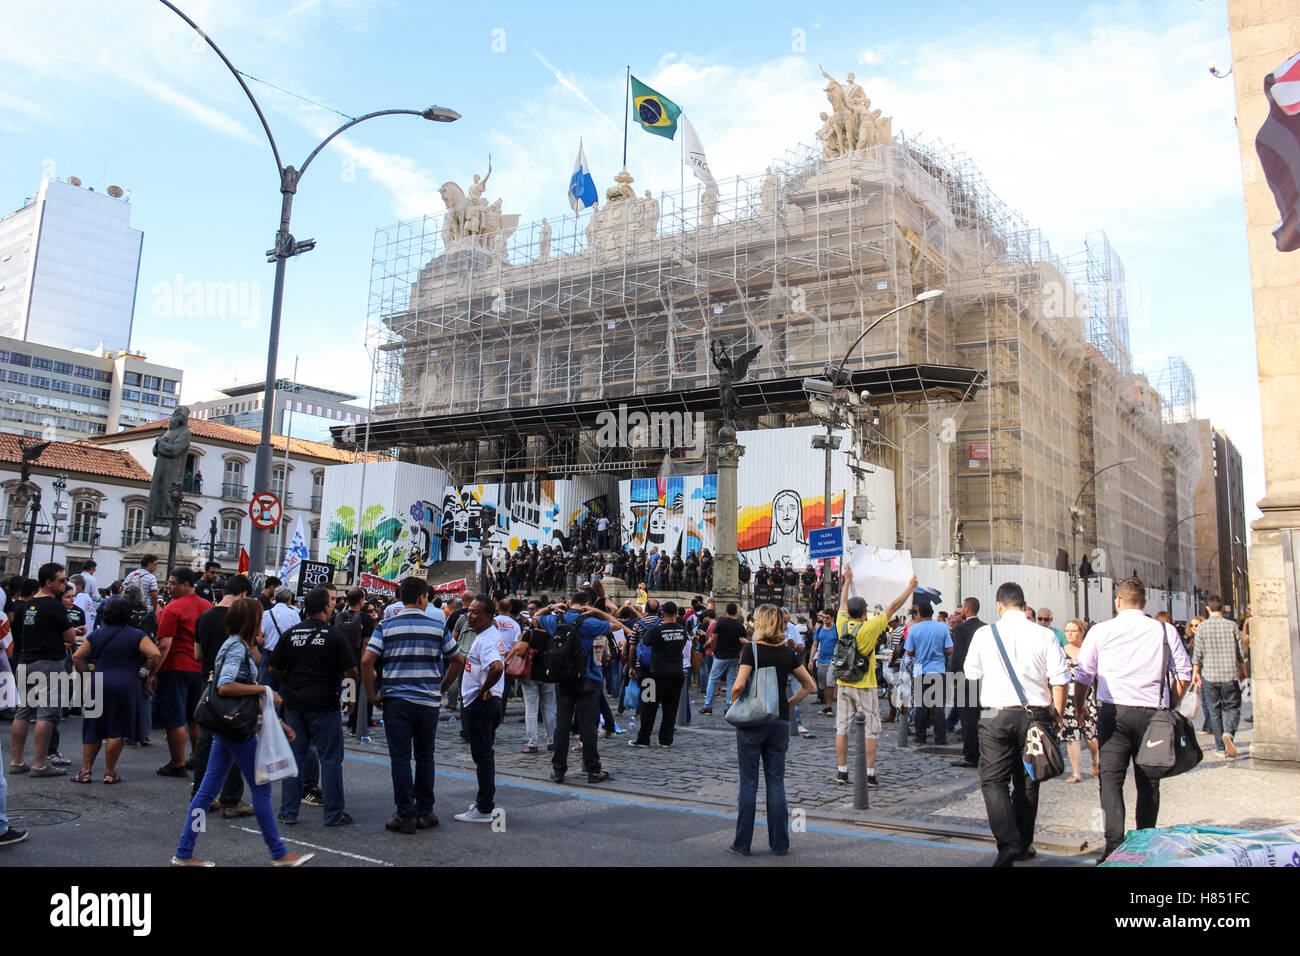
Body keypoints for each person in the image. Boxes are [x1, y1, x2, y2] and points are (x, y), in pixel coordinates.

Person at [171, 597, 312, 867]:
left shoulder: (235, 645)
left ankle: (184, 852)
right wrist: (263, 689)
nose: (262, 625)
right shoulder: (237, 648)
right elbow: (226, 687)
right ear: (250, 622)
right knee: (260, 789)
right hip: (235, 729)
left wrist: (273, 719)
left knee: (206, 792)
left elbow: (236, 692)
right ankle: (279, 853)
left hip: (227, 726)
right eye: (259, 620)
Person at [1071, 577, 1192, 863]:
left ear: (1118, 601)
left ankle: (1114, 847)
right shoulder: (1164, 631)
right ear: (1145, 601)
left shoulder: (1101, 631)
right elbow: (1183, 673)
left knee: (1110, 781)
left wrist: (1079, 706)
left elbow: (1084, 674)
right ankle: (1144, 844)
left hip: (1114, 713)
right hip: (1153, 715)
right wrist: (1171, 702)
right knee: (1149, 782)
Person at [962, 581, 1069, 866]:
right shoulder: (1045, 635)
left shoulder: (985, 634)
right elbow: (1060, 679)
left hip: (995, 714)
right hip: (1036, 714)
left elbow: (971, 673)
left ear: (999, 605)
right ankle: (1023, 843)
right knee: (1029, 781)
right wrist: (1058, 712)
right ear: (1024, 605)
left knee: (994, 781)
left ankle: (1008, 843)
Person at [361, 577, 464, 834]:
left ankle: (404, 814)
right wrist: (441, 686)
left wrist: (373, 694)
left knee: (400, 758)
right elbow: (457, 660)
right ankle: (425, 811)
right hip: (427, 702)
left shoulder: (386, 625)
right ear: (422, 598)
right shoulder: (437, 626)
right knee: (425, 756)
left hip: (396, 699)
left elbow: (366, 661)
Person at [728, 604, 816, 856]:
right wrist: (787, 704)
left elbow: (739, 685)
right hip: (779, 721)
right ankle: (780, 843)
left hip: (754, 720)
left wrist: (734, 704)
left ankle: (742, 844)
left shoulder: (752, 650)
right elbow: (809, 685)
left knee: (748, 782)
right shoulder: (787, 652)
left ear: (760, 623)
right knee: (776, 782)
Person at [271, 586, 358, 827]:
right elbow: (351, 669)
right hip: (324, 704)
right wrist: (350, 696)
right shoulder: (334, 635)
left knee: (295, 757)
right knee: (330, 760)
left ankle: (288, 812)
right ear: (326, 608)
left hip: (295, 704)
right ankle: (333, 813)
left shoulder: (290, 634)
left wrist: (288, 681)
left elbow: (273, 668)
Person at [833, 566, 916, 787]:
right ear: (864, 612)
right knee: (871, 729)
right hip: (865, 683)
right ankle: (870, 774)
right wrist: (910, 588)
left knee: (842, 728)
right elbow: (893, 607)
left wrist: (847, 582)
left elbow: (842, 603)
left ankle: (842, 771)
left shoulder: (841, 625)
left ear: (849, 612)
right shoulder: (870, 627)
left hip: (843, 681)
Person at [72, 596, 161, 783]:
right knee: (116, 728)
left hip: (100, 681)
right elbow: (154, 653)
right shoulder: (136, 635)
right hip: (127, 682)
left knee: (93, 726)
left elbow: (78, 657)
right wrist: (144, 671)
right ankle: (110, 772)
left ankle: (85, 771)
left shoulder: (96, 634)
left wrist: (86, 678)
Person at [192, 574, 254, 817]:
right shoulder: (240, 619)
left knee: (205, 742)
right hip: (232, 688)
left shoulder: (204, 616)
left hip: (207, 682)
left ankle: (202, 795)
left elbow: (197, 654)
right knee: (234, 737)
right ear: (244, 595)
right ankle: (231, 800)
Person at [9, 563, 78, 777]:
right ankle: (39, 763)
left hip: (27, 661)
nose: (65, 584)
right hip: (48, 662)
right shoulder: (54, 605)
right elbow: (70, 638)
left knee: (23, 711)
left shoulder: (31, 604)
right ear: (49, 583)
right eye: (62, 580)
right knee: (46, 714)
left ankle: (17, 761)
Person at [539, 589, 614, 784]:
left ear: (570, 602)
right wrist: (599, 612)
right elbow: (616, 626)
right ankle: (592, 769)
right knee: (588, 725)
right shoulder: (590, 622)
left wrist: (550, 607)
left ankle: (558, 769)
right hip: (588, 677)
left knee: (562, 724)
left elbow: (534, 618)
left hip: (563, 677)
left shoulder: (557, 620)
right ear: (587, 604)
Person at [153, 568, 213, 778]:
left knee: (175, 718)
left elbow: (164, 645)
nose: (168, 587)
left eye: (172, 583)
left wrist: (153, 672)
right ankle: (197, 757)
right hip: (199, 667)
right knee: (194, 718)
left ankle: (177, 762)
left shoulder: (172, 609)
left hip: (176, 667)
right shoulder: (208, 607)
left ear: (187, 584)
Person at [454, 595, 507, 823]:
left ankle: (485, 807)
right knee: (485, 753)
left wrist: (483, 689)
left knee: (482, 755)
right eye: (470, 610)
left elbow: (496, 666)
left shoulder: (485, 640)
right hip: (487, 701)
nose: (470, 615)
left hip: (481, 703)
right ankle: (484, 802)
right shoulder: (489, 635)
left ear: (488, 616)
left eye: (476, 612)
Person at [1191, 596, 1247, 758]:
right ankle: (1228, 732)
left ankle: (1220, 749)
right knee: (1233, 708)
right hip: (1230, 674)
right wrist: (1243, 671)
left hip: (1210, 676)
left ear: (1208, 608)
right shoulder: (1232, 626)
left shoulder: (1201, 628)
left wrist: (1196, 672)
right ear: (1222, 609)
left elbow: (1198, 653)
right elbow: (1241, 652)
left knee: (1214, 712)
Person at [630, 601, 689, 747]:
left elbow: (644, 645)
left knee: (648, 707)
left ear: (662, 614)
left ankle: (643, 739)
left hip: (655, 673)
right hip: (676, 672)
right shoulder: (682, 630)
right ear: (676, 613)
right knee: (671, 708)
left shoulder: (656, 631)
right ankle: (666, 740)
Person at [903, 601, 952, 745]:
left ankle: (920, 736)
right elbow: (950, 649)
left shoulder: (914, 629)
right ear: (932, 612)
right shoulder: (942, 627)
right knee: (938, 706)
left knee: (920, 705)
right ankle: (940, 738)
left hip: (920, 670)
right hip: (938, 669)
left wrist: (919, 653)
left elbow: (909, 651)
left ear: (919, 614)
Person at [1060, 618, 1098, 782]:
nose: (1069, 633)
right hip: (1068, 698)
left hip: (1088, 697)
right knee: (1072, 736)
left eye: (1073, 630)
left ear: (1082, 632)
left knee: (1091, 736)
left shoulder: (1089, 651)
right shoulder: (1060, 652)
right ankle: (1076, 772)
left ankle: (1095, 759)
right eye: (1067, 630)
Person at [949, 597, 984, 768]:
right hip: (984, 678)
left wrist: (954, 676)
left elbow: (957, 656)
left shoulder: (961, 629)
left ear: (967, 609)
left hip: (965, 678)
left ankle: (971, 755)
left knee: (968, 720)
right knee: (982, 718)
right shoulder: (985, 628)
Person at [259, 587, 300, 682]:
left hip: (269, 654)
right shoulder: (294, 614)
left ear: (275, 597)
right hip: (287, 655)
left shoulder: (266, 614)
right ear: (289, 599)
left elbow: (259, 636)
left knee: (267, 688)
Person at [809, 610, 838, 716]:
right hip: (821, 659)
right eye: (823, 618)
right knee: (823, 685)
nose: (825, 620)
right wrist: (810, 659)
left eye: (827, 618)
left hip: (833, 660)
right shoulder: (820, 629)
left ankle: (830, 706)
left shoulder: (836, 629)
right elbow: (815, 645)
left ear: (832, 618)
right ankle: (828, 706)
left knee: (830, 682)